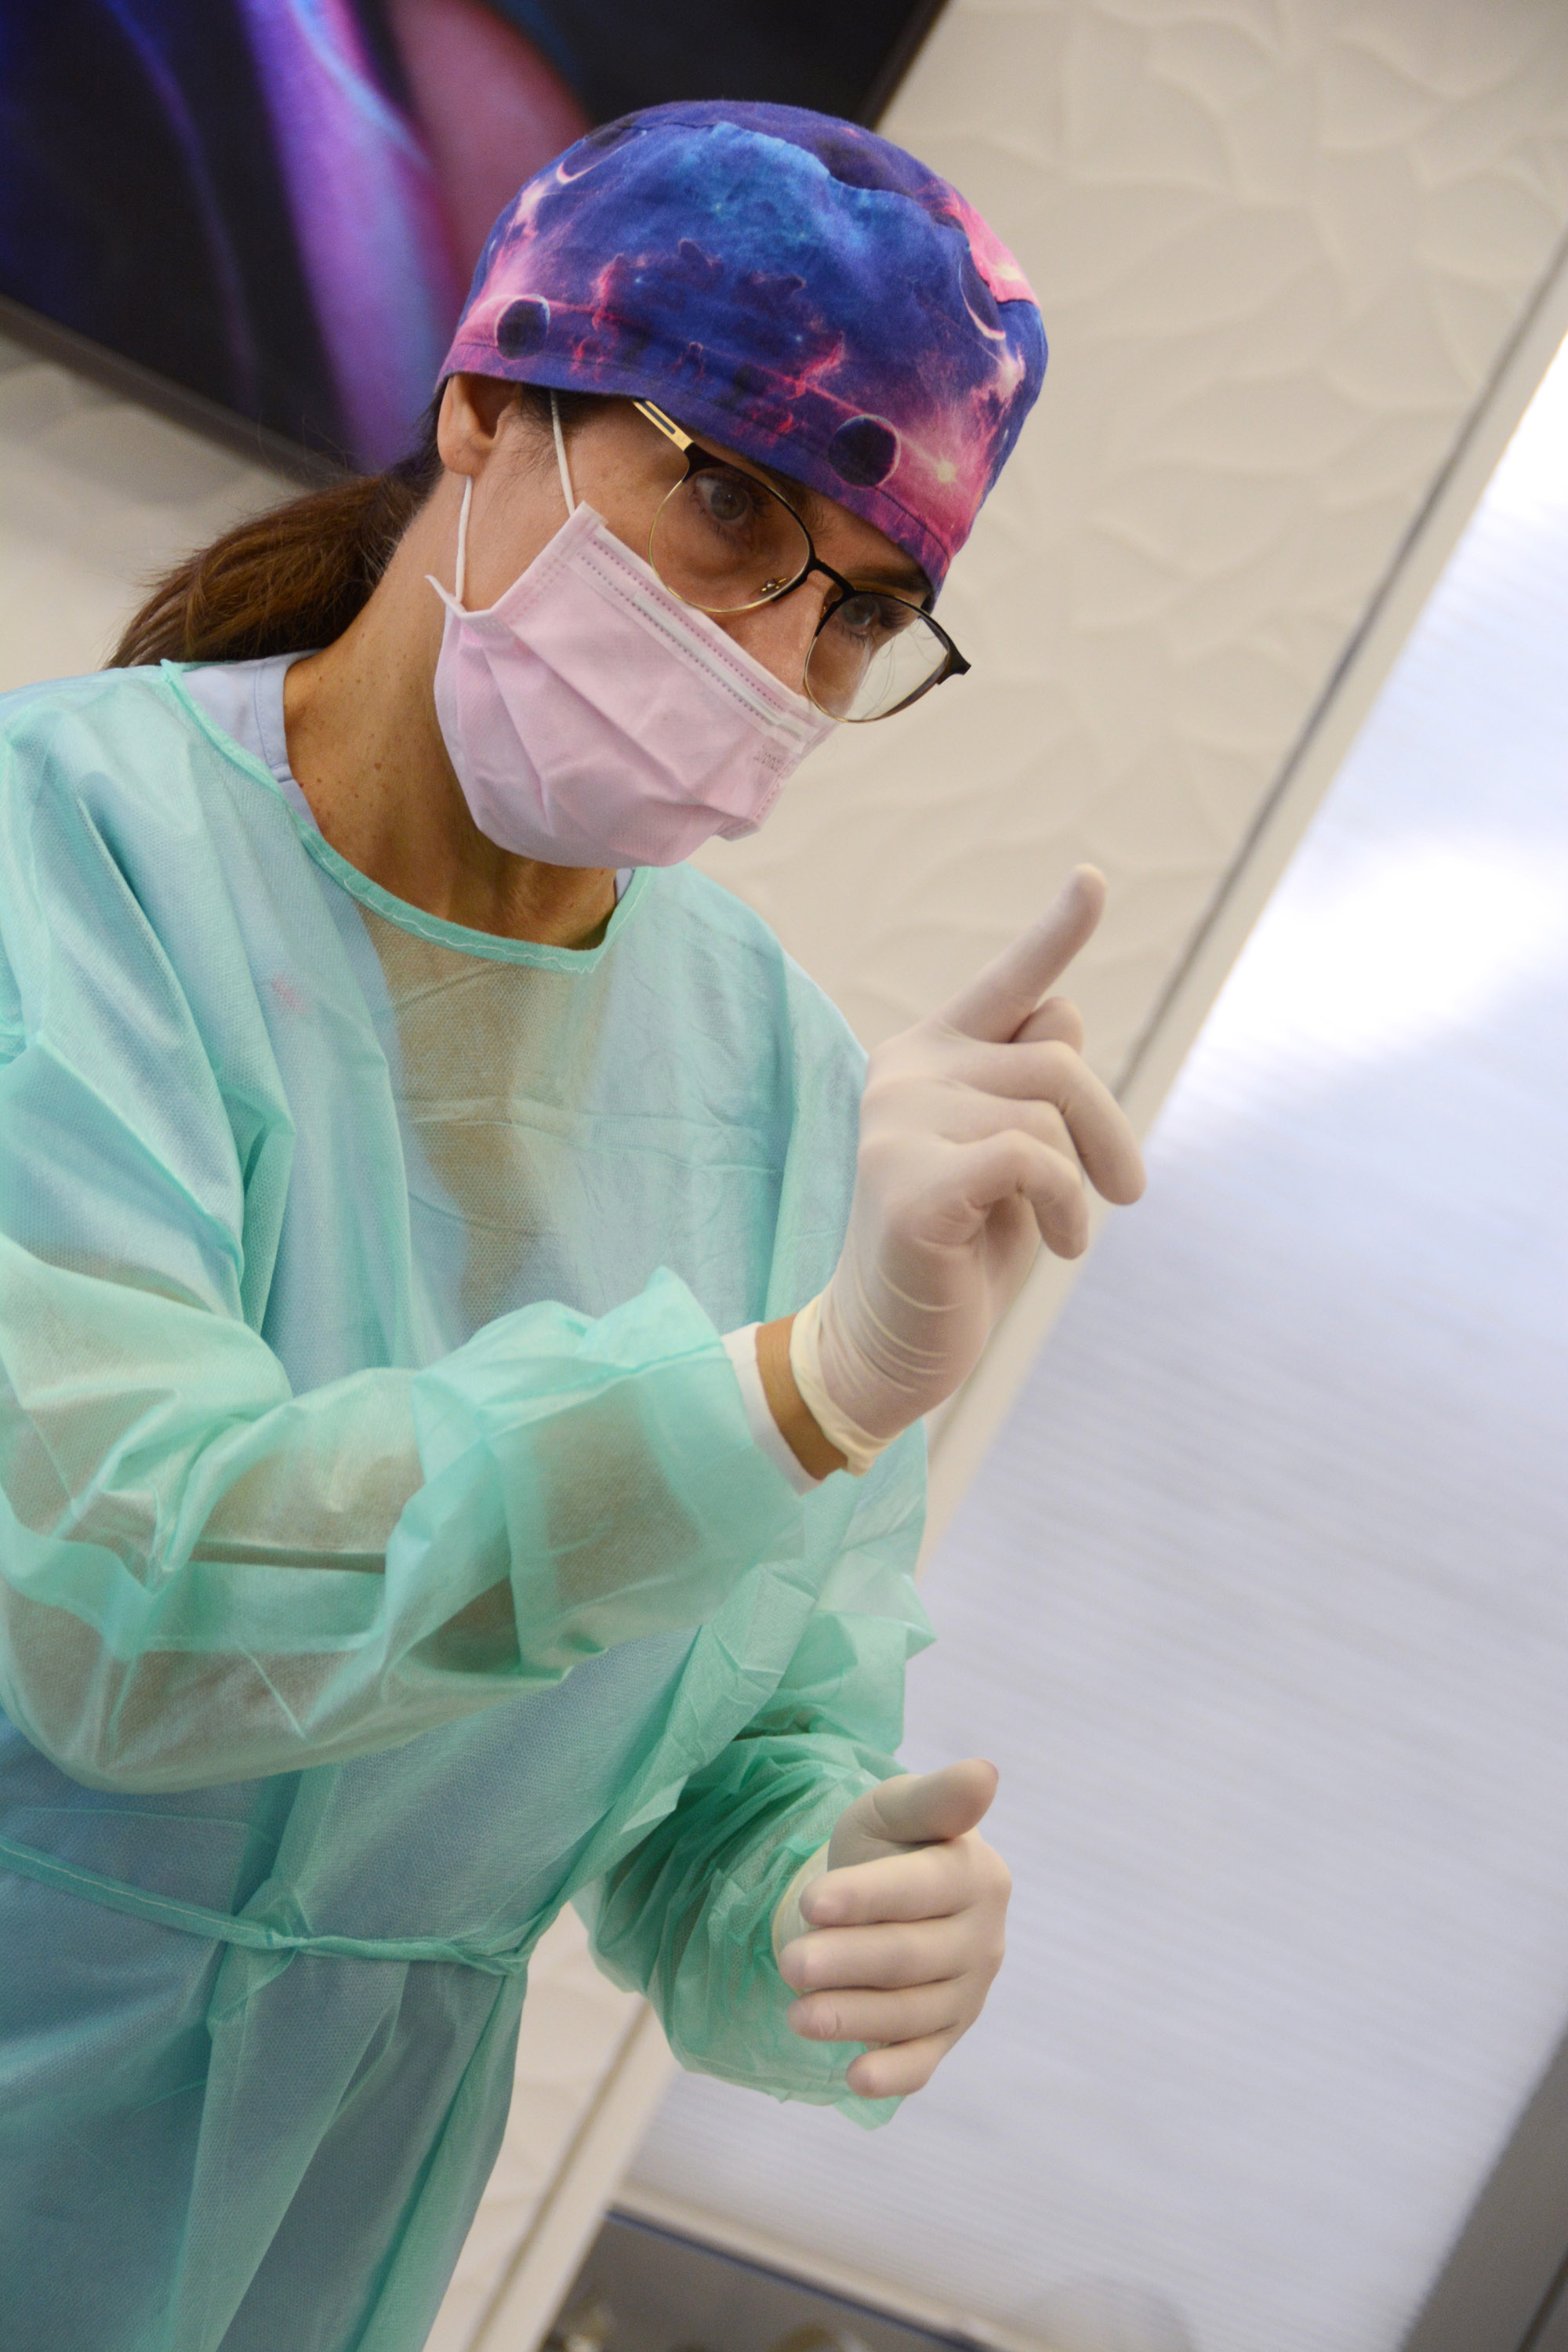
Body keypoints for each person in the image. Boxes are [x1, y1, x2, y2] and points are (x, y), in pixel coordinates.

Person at [0, 101, 1144, 2352]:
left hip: (316, 2235)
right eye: (728, 496)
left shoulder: (786, 1087)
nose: (772, 649)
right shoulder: (73, 865)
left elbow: (730, 1758)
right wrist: (786, 1393)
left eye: (864, 607)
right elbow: (135, 1598)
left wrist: (816, 1907)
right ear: (485, 401)